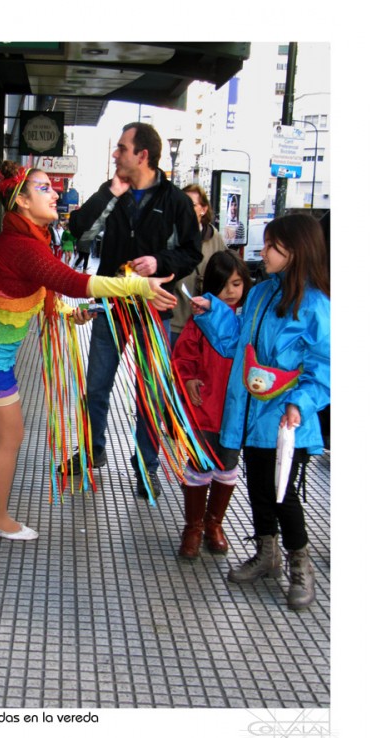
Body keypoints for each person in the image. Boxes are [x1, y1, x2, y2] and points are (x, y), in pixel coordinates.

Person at [0, 161, 177, 541]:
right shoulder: (24, 245)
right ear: (23, 202)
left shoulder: (27, 240)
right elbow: (75, 282)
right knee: (11, 436)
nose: (55, 193)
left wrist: (66, 312)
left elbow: (39, 291)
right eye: (45, 188)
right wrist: (138, 287)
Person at [190, 213, 330, 609]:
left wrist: (299, 404)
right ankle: (267, 555)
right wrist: (211, 311)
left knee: (283, 494)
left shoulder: (316, 305)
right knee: (258, 490)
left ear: (295, 251)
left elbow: (326, 367)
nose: (262, 251)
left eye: (271, 245)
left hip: (286, 421)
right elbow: (237, 344)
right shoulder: (261, 293)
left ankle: (300, 564)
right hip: (250, 415)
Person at [67, 122, 202, 499]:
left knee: (150, 393)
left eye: (122, 149)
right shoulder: (113, 193)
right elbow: (78, 231)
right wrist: (110, 192)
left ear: (142, 155)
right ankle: (92, 452)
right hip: (109, 308)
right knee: (95, 387)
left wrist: (157, 261)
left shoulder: (175, 201)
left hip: (152, 312)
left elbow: (192, 252)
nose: (116, 154)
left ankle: (147, 466)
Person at [171, 251, 251, 558]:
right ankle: (193, 527)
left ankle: (214, 523)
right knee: (199, 464)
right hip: (203, 407)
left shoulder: (249, 320)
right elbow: (183, 356)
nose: (230, 292)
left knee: (227, 465)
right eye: (223, 285)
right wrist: (188, 378)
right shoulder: (200, 319)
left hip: (235, 412)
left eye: (236, 284)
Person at [170, 184, 227, 347]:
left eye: (191, 204)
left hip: (204, 322)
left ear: (203, 209)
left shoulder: (214, 238)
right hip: (175, 320)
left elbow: (226, 271)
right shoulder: (170, 235)